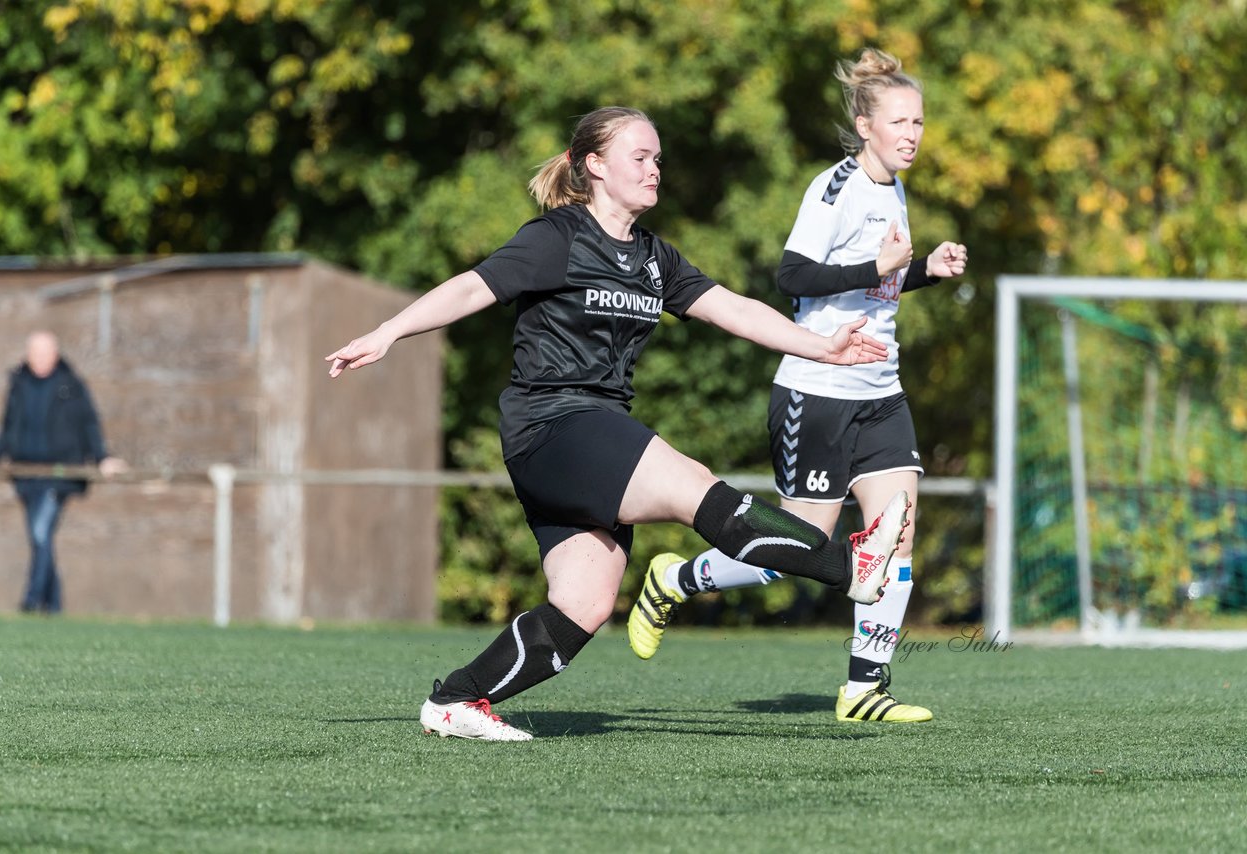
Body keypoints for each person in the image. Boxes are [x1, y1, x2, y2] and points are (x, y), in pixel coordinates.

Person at [325, 105, 911, 741]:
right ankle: (851, 569)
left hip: (592, 433)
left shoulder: (656, 258)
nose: (654, 169)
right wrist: (389, 332)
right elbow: (472, 287)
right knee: (692, 483)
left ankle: (457, 699)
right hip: (553, 425)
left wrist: (820, 346)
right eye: (640, 156)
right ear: (594, 166)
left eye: (658, 158)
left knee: (586, 603)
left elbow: (732, 309)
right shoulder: (558, 237)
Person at [627, 49, 968, 723]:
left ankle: (865, 688)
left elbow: (879, 283)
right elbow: (792, 278)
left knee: (895, 538)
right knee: (800, 551)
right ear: (865, 124)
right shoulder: (833, 189)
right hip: (817, 393)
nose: (913, 134)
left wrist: (925, 268)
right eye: (900, 121)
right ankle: (677, 577)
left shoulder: (896, 189)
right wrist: (880, 262)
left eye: (920, 121)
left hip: (881, 393)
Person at [0, 331, 128, 614]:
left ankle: (31, 601)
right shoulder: (18, 384)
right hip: (26, 474)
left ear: (55, 355)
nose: (40, 359)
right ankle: (53, 605)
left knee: (41, 532)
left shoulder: (71, 385)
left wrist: (103, 457)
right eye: (36, 353)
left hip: (61, 474)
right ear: (27, 355)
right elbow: (8, 430)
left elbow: (89, 424)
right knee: (38, 537)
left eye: (45, 353)